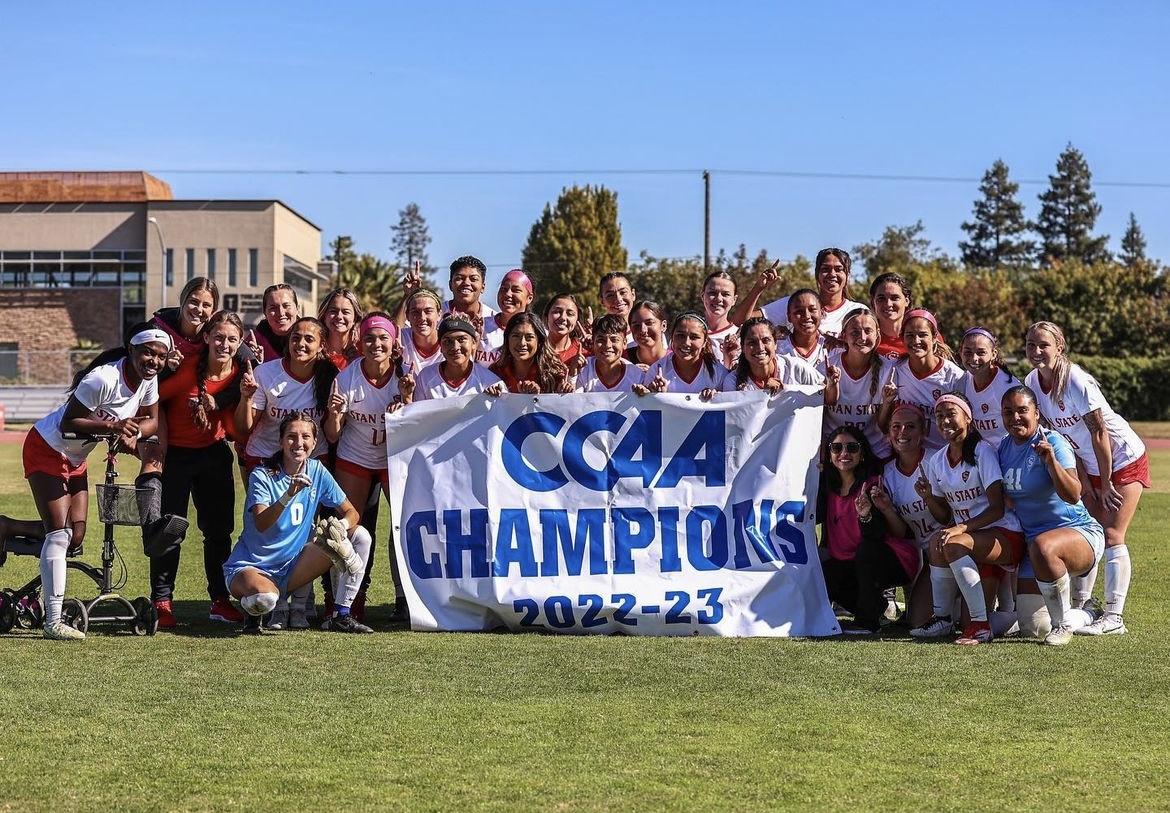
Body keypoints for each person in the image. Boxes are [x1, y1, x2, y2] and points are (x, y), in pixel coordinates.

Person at [19, 328, 172, 640]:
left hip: (76, 458)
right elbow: (68, 423)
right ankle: (52, 620)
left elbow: (152, 421)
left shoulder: (148, 380)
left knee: (75, 535)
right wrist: (114, 426)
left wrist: (135, 433)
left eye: (160, 355)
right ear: (131, 350)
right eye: (148, 353)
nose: (153, 361)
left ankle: (7, 528)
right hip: (47, 447)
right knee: (60, 535)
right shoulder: (103, 379)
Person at [1024, 321, 1148, 634]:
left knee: (1112, 535)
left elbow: (1100, 432)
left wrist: (1104, 484)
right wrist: (1082, 478)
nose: (1037, 352)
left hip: (1122, 456)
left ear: (1059, 347)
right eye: (1031, 345)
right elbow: (1064, 438)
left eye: (1044, 345)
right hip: (1089, 464)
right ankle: (1084, 604)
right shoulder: (1032, 381)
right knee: (1087, 531)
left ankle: (1114, 618)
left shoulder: (1074, 380)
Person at [224, 413, 373, 635]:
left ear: (314, 443)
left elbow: (351, 512)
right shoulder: (262, 475)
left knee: (360, 536)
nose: (299, 443)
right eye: (292, 437)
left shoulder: (316, 470)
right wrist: (287, 495)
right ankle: (255, 611)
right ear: (281, 441)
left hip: (294, 566)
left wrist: (341, 527)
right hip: (254, 565)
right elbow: (262, 523)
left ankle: (341, 614)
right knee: (266, 599)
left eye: (305, 437)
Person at [150, 311, 246, 629]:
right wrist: (155, 444)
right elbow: (152, 398)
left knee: (218, 533)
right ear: (206, 338)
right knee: (170, 530)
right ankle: (162, 602)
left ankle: (220, 600)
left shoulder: (241, 375)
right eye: (218, 337)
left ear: (240, 342)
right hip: (176, 457)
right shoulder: (189, 368)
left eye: (232, 339)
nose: (224, 344)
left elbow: (239, 427)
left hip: (215, 456)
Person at [911, 393, 1024, 645]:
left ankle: (986, 626)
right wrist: (929, 497)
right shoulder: (938, 460)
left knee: (952, 543)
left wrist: (960, 528)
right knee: (936, 542)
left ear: (968, 417)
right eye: (939, 416)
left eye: (951, 414)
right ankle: (943, 619)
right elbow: (944, 516)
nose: (945, 421)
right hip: (973, 541)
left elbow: (996, 509)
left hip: (1003, 536)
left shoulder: (983, 451)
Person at [999, 386, 1107, 645]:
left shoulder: (1053, 442)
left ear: (1037, 413)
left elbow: (1073, 494)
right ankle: (1088, 614)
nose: (1015, 417)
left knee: (1044, 546)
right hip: (1034, 545)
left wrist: (1051, 463)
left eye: (1022, 410)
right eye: (1008, 412)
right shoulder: (1003, 448)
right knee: (1033, 627)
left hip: (1078, 532)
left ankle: (1063, 627)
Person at [323, 313, 408, 625]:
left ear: (393, 342)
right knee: (347, 530)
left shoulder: (405, 376)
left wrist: (408, 400)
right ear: (360, 341)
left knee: (405, 525)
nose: (376, 344)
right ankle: (342, 603)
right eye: (370, 337)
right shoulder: (346, 378)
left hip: (393, 459)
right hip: (355, 457)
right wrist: (334, 415)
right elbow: (332, 435)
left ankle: (408, 600)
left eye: (383, 337)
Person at [818, 426, 919, 634]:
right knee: (826, 571)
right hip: (850, 562)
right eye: (836, 448)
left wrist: (865, 514)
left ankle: (868, 621)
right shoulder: (827, 486)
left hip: (889, 558)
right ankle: (877, 608)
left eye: (852, 448)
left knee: (867, 550)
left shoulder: (873, 485)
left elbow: (877, 536)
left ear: (862, 453)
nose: (844, 454)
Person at [236, 317, 336, 471]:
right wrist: (246, 398)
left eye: (309, 339)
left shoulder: (331, 377)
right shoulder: (265, 373)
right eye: (295, 338)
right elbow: (243, 429)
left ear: (321, 345)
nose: (301, 344)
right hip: (266, 457)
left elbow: (333, 435)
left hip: (313, 459)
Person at [876, 404, 941, 628]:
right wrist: (886, 509)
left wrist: (930, 498)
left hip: (950, 550)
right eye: (896, 426)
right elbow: (901, 533)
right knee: (917, 622)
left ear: (923, 432)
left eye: (910, 426)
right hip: (927, 556)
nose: (902, 432)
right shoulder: (888, 473)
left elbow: (951, 515)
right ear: (888, 433)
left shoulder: (936, 461)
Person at [877, 309, 963, 453]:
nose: (916, 341)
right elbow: (882, 425)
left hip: (941, 460)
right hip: (904, 458)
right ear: (902, 338)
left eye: (922, 335)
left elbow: (964, 428)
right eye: (909, 335)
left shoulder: (954, 377)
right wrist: (886, 403)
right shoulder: (894, 370)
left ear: (934, 337)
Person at [736, 248, 866, 338]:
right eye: (826, 269)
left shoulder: (858, 311)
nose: (832, 274)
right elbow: (739, 321)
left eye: (839, 269)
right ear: (817, 274)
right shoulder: (795, 304)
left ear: (848, 275)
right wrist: (758, 288)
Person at [824, 309, 892, 460]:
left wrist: (887, 403)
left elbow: (883, 425)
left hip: (875, 453)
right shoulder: (828, 365)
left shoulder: (888, 369)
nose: (862, 337)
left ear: (877, 335)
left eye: (868, 331)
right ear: (843, 335)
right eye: (855, 332)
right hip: (835, 454)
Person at [407, 316, 504, 401]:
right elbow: (418, 417)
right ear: (440, 346)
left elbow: (504, 417)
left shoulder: (491, 382)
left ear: (474, 343)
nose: (455, 347)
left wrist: (496, 402)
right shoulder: (426, 377)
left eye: (461, 339)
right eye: (447, 341)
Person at [723, 317, 823, 392]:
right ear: (743, 347)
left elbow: (826, 396)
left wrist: (832, 384)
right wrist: (763, 395)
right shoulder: (732, 381)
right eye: (752, 342)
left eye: (766, 340)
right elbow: (737, 418)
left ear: (775, 343)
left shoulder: (796, 368)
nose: (760, 347)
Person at [635, 312, 722, 397]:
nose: (686, 343)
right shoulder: (656, 371)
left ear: (704, 342)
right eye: (680, 336)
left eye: (694, 337)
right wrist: (653, 395)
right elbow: (647, 407)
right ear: (672, 337)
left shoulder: (719, 373)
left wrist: (718, 397)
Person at [959, 327, 1019, 446]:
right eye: (968, 352)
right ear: (960, 353)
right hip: (980, 456)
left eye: (981, 352)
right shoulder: (963, 381)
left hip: (1007, 456)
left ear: (993, 354)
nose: (974, 359)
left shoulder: (1009, 388)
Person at [489, 312, 571, 394]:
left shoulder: (554, 375)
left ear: (539, 341)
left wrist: (561, 393)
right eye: (516, 336)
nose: (522, 343)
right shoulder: (495, 372)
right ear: (507, 339)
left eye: (529, 337)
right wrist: (490, 395)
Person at [150, 277, 220, 371]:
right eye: (194, 302)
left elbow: (243, 357)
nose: (199, 309)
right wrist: (165, 364)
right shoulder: (158, 328)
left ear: (213, 310)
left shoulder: (217, 332)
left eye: (206, 305)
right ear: (183, 300)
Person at [575, 315, 643, 392]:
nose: (607, 345)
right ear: (593, 342)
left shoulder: (637, 376)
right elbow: (573, 400)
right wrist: (572, 376)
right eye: (601, 340)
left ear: (624, 343)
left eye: (614, 339)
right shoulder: (583, 370)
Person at [480, 269, 535, 364]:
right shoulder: (481, 326)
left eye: (516, 290)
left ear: (529, 298)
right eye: (504, 289)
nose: (508, 294)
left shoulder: (537, 332)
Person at [775, 289, 832, 376]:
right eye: (799, 311)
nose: (807, 316)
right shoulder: (777, 349)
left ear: (822, 313)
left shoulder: (832, 347)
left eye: (812, 309)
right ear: (789, 317)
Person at [698, 270, 741, 368]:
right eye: (712, 293)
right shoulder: (686, 333)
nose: (718, 299)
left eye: (725, 294)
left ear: (734, 300)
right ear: (702, 296)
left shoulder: (741, 338)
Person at [249, 283, 300, 363]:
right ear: (265, 313)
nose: (281, 313)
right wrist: (255, 364)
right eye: (273, 308)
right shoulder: (253, 342)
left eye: (286, 306)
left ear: (297, 308)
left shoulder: (312, 338)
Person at [869, 273, 912, 360]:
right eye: (881, 298)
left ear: (907, 301)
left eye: (895, 298)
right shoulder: (864, 338)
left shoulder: (923, 335)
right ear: (873, 303)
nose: (888, 304)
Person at [318, 288, 364, 370]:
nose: (339, 316)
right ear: (324, 315)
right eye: (333, 311)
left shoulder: (363, 351)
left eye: (346, 312)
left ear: (355, 318)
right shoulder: (314, 348)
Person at [399, 289, 444, 374]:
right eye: (415, 312)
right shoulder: (402, 339)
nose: (422, 318)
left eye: (428, 311)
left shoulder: (450, 342)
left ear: (439, 315)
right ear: (407, 316)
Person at [544, 293, 586, 366]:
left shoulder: (584, 353)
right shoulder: (534, 350)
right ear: (546, 317)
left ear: (577, 321)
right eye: (557, 312)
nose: (563, 317)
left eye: (570, 314)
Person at [626, 300, 669, 368]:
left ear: (663, 326)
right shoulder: (622, 361)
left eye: (649, 323)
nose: (643, 330)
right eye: (636, 325)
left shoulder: (677, 361)